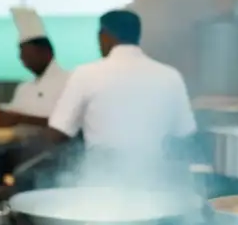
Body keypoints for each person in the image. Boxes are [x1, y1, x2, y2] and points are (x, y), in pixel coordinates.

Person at [46, 9, 196, 159]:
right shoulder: (170, 76)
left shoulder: (85, 73)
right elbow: (185, 134)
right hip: (153, 175)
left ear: (103, 36)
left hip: (102, 173)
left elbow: (58, 133)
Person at [0, 7, 70, 128]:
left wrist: (21, 119)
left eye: (26, 53)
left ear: (46, 51)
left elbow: (69, 123)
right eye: (21, 53)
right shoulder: (24, 88)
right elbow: (11, 115)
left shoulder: (69, 81)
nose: (22, 58)